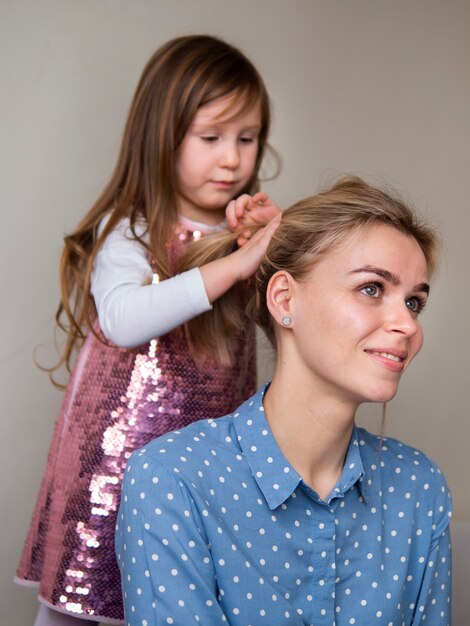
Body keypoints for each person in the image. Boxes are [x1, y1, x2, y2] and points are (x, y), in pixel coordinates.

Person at [16, 34, 281, 626]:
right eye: (211, 138)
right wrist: (232, 265)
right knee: (85, 599)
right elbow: (123, 319)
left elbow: (295, 313)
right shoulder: (133, 229)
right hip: (115, 465)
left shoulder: (243, 232)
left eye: (247, 138)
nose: (233, 159)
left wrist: (278, 238)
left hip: (201, 469)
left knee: (183, 600)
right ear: (162, 138)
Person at [117, 176, 452, 626]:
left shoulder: (418, 489)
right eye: (372, 288)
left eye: (414, 303)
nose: (407, 324)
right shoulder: (173, 481)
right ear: (284, 297)